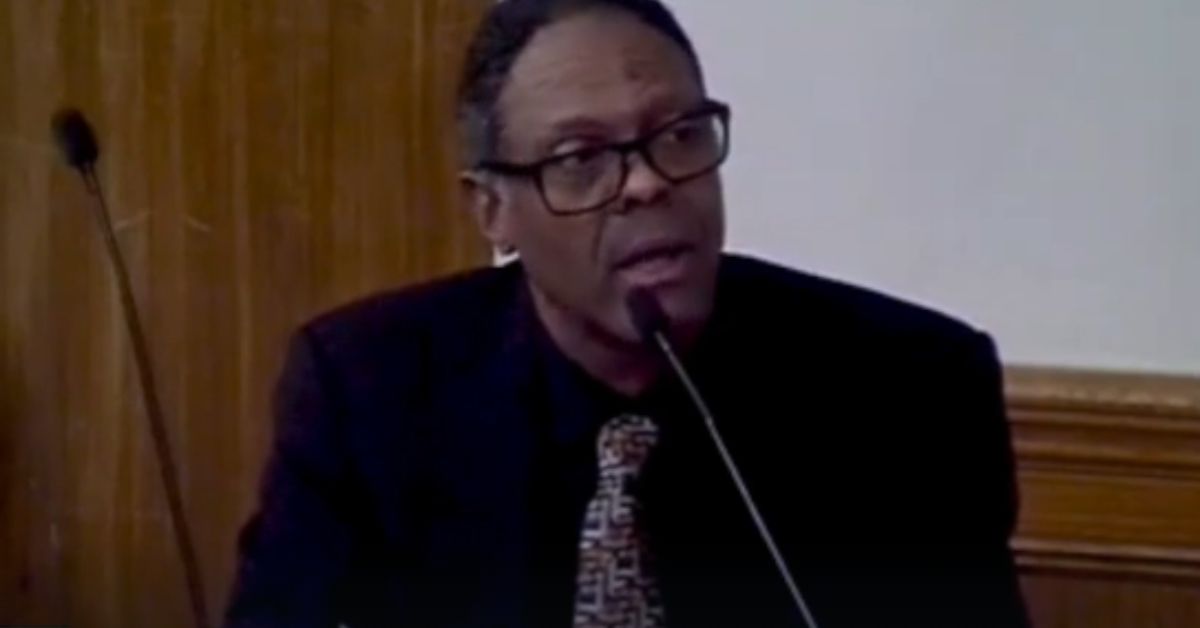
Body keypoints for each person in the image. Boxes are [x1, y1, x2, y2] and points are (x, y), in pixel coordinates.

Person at [225, 0, 1031, 626]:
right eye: (580, 159)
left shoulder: (910, 390)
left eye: (678, 135)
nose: (647, 184)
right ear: (492, 211)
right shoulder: (367, 392)